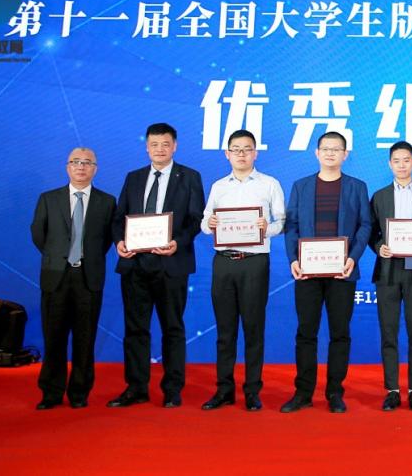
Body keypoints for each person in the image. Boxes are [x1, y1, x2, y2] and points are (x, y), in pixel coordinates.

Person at [108, 123, 205, 409]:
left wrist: (177, 242)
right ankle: (136, 387)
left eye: (165, 144)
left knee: (172, 328)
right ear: (147, 147)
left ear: (175, 146)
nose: (160, 149)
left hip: (171, 264)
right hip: (135, 265)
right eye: (154, 144)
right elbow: (119, 218)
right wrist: (119, 242)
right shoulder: (134, 177)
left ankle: (172, 389)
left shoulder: (189, 177)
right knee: (135, 329)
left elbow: (195, 219)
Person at [281, 131, 371, 414]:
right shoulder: (301, 186)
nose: (330, 153)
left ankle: (335, 392)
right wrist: (293, 259)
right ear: (316, 153)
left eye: (336, 149)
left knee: (339, 333)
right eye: (325, 148)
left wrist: (353, 258)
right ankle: (303, 392)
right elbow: (291, 226)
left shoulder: (357, 187)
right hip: (307, 272)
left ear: (345, 154)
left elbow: (365, 225)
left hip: (342, 272)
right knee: (306, 332)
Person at [199, 130, 285, 412]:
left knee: (253, 328)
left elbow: (281, 222)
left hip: (254, 262)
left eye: (247, 149)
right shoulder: (218, 186)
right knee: (225, 330)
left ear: (255, 153)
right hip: (223, 261)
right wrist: (210, 223)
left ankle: (252, 390)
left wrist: (267, 228)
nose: (241, 154)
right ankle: (224, 389)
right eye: (235, 149)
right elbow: (204, 223)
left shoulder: (269, 184)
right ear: (227, 154)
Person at [30, 147, 115, 409]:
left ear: (95, 169)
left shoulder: (107, 202)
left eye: (87, 163)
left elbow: (106, 240)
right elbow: (39, 234)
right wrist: (59, 256)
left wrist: (84, 258)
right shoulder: (49, 198)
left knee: (85, 339)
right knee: (53, 338)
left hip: (88, 278)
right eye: (76, 162)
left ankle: (79, 393)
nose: (81, 166)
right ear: (67, 167)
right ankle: (51, 393)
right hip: (56, 276)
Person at [369, 141, 412, 411]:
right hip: (387, 270)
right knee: (388, 331)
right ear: (390, 164)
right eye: (396, 160)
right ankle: (392, 390)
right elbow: (372, 233)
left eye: (406, 160)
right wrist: (379, 247)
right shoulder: (379, 197)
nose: (401, 165)